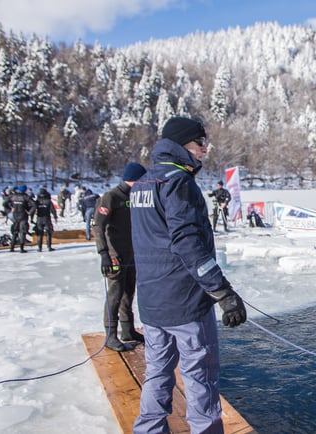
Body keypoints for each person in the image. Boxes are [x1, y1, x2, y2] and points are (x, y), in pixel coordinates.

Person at [130, 116, 247, 434]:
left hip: (153, 304)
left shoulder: (142, 183)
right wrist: (223, 292)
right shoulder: (179, 182)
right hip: (184, 305)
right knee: (201, 381)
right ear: (182, 144)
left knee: (157, 373)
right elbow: (188, 245)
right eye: (200, 143)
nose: (205, 150)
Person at [94, 162, 147, 352]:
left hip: (132, 252)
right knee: (115, 294)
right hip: (115, 253)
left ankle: (127, 330)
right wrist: (104, 254)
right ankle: (110, 335)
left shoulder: (135, 197)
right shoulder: (111, 197)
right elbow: (98, 226)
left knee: (128, 292)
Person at [3, 185, 36, 252]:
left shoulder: (13, 196)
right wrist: (29, 212)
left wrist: (9, 210)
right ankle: (21, 248)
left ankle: (12, 247)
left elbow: (4, 203)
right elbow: (34, 205)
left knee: (15, 231)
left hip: (15, 215)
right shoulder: (25, 197)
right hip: (23, 215)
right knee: (22, 232)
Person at [32, 187, 57, 252]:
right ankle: (49, 247)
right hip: (47, 218)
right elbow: (53, 210)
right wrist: (55, 217)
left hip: (39, 218)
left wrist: (31, 218)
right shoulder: (48, 201)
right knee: (48, 233)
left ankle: (39, 248)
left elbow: (33, 210)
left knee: (40, 234)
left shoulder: (37, 202)